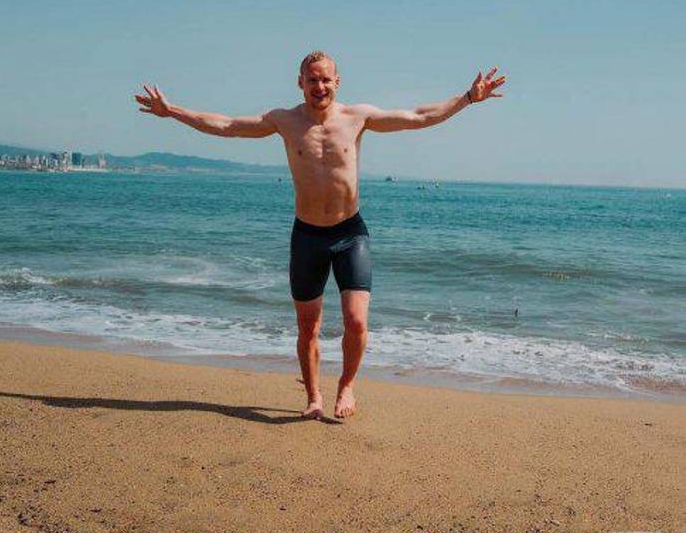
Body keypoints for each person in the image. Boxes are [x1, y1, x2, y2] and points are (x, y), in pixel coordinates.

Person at [134, 51, 506, 420]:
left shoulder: (357, 117)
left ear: (337, 82)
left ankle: (346, 385)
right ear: (300, 82)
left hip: (350, 233)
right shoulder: (284, 120)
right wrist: (173, 111)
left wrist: (468, 98)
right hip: (307, 235)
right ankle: (313, 397)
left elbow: (418, 117)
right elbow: (228, 125)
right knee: (308, 327)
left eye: (326, 79)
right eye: (312, 79)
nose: (320, 86)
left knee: (356, 322)